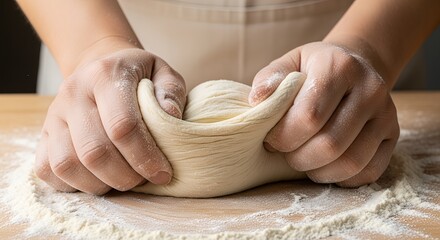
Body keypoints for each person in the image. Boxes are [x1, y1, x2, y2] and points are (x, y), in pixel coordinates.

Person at [17, 0, 440, 195]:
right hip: (98, 42)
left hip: (354, 52)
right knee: (99, 136)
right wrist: (95, 47)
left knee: (346, 133)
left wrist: (369, 46)